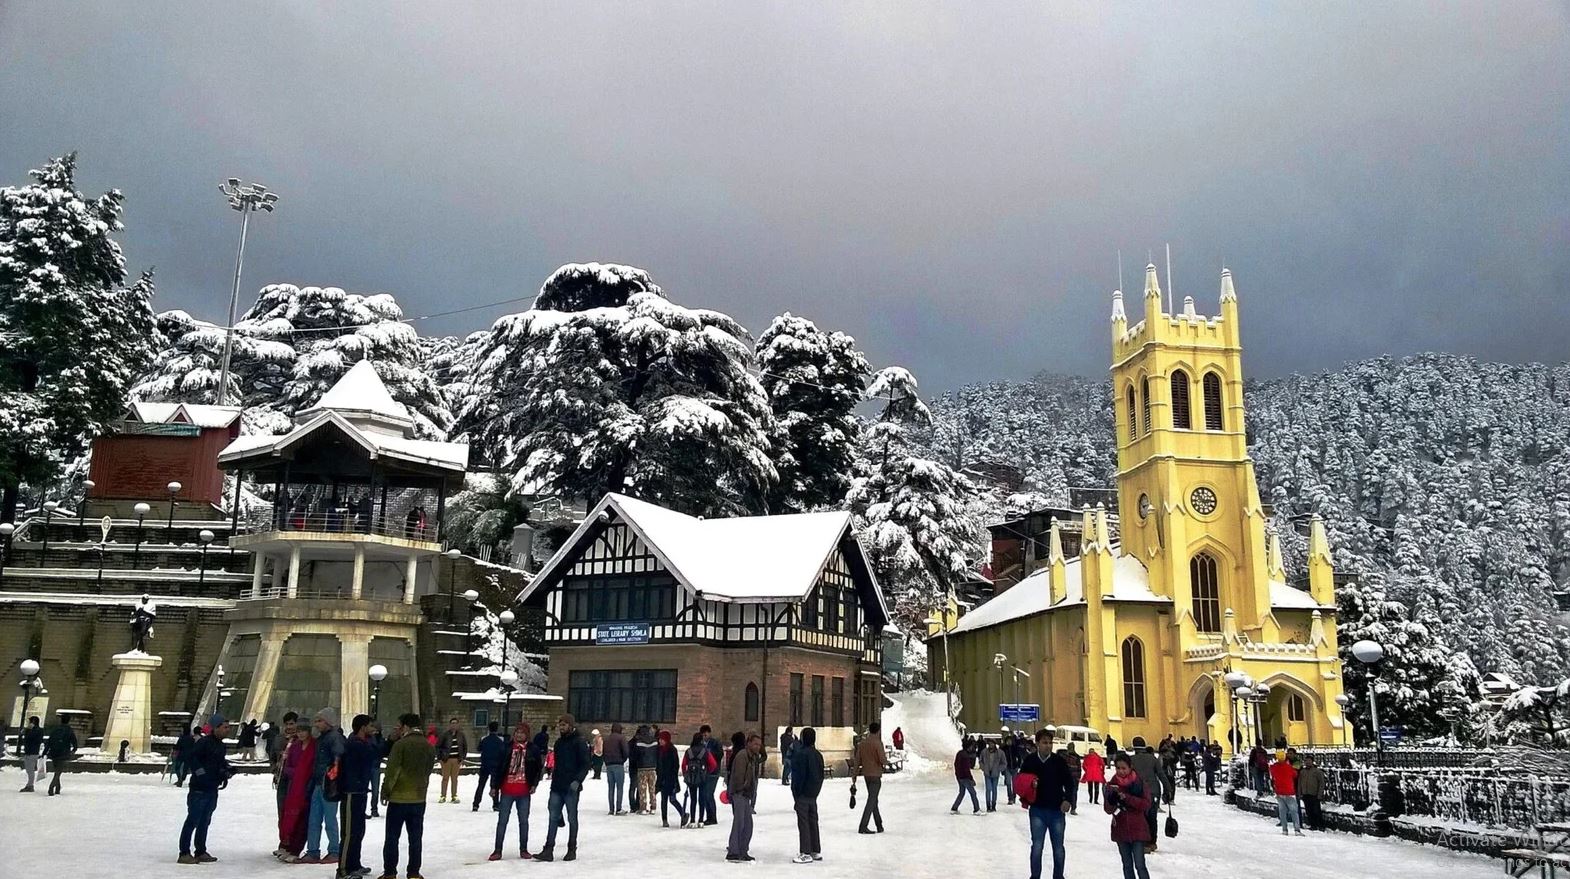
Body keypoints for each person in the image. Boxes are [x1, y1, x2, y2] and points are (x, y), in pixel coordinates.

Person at [381, 713, 434, 879]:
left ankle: (390, 872)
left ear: (405, 726)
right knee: (415, 838)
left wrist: (385, 791)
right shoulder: (428, 745)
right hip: (419, 797)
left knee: (392, 837)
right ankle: (414, 872)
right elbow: (428, 769)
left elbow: (393, 771)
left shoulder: (400, 745)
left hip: (398, 798)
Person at [178, 714, 233, 864]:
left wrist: (227, 769)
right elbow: (192, 757)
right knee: (193, 820)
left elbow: (218, 762)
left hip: (212, 787)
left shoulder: (221, 745)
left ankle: (200, 850)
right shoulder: (204, 742)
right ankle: (184, 852)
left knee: (205, 820)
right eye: (225, 727)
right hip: (199, 788)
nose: (228, 730)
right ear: (216, 728)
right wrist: (200, 773)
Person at [1019, 727, 1074, 879]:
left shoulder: (1059, 761)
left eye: (1050, 743)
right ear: (1037, 744)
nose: (1048, 746)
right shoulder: (1030, 761)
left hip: (1057, 811)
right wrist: (1029, 785)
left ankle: (1058, 876)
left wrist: (1068, 800)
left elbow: (1069, 782)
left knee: (1058, 848)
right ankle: (1035, 876)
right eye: (1044, 743)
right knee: (1037, 847)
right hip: (1038, 810)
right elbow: (1020, 781)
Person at [537, 714, 590, 862]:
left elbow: (585, 764)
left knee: (572, 817)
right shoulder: (559, 743)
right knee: (553, 815)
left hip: (571, 787)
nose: (561, 727)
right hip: (558, 785)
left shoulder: (579, 742)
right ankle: (548, 849)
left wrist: (578, 780)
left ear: (571, 726)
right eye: (560, 725)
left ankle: (572, 848)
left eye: (564, 725)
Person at [490, 722, 544, 860]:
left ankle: (523, 849)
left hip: (524, 791)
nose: (519, 735)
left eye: (522, 733)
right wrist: (494, 786)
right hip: (507, 790)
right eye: (517, 732)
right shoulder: (506, 747)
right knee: (502, 821)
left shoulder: (533, 749)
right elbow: (497, 767)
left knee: (523, 821)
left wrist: (534, 784)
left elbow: (538, 769)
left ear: (527, 735)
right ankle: (497, 849)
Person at [337, 714, 378, 878]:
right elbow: (372, 755)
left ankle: (354, 864)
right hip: (351, 792)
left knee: (358, 831)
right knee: (349, 833)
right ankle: (343, 869)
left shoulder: (363, 743)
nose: (373, 729)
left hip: (360, 791)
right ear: (363, 727)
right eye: (370, 726)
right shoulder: (355, 744)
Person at [305, 707, 346, 864]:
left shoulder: (334, 738)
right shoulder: (323, 738)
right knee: (314, 819)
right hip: (320, 782)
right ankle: (313, 850)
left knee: (329, 819)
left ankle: (334, 850)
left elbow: (338, 758)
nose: (316, 724)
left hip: (328, 784)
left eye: (320, 720)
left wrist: (332, 776)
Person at [1105, 753, 1153, 879]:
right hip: (1120, 829)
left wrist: (1127, 798)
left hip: (1138, 829)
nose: (1121, 771)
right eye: (1118, 768)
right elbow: (1108, 809)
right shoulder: (1112, 785)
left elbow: (1146, 804)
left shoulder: (1139, 783)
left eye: (1123, 768)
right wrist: (1111, 799)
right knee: (1127, 865)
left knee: (1140, 865)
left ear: (1130, 767)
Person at [275, 723, 316, 862]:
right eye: (299, 731)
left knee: (303, 819)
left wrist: (303, 773)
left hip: (308, 786)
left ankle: (296, 849)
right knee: (291, 816)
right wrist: (297, 772)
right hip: (294, 786)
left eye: (304, 731)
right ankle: (288, 846)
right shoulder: (295, 746)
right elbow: (287, 766)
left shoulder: (314, 746)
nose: (301, 734)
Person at [789, 727, 825, 864]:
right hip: (814, 793)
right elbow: (821, 775)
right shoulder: (818, 755)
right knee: (813, 821)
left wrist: (796, 792)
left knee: (803, 822)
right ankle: (815, 849)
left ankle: (805, 852)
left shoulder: (801, 754)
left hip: (803, 793)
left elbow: (798, 776)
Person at [727, 732, 763, 861]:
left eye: (759, 745)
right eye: (755, 744)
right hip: (740, 794)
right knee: (740, 823)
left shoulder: (752, 757)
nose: (757, 747)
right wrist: (742, 788)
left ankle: (742, 850)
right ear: (748, 743)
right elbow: (738, 776)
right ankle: (733, 851)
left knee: (747, 824)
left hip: (745, 795)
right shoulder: (742, 756)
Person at [1129, 737, 1168, 854]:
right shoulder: (1153, 759)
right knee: (1152, 817)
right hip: (1154, 791)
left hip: (1139, 792)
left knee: (1141, 817)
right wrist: (1168, 788)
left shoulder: (1131, 760)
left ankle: (1144, 842)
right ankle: (1152, 842)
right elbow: (1161, 774)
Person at [854, 721, 885, 833]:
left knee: (873, 799)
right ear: (878, 731)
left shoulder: (863, 743)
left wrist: (854, 775)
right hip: (876, 774)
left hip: (866, 774)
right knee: (871, 800)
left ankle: (879, 825)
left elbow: (857, 760)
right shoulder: (877, 743)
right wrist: (885, 762)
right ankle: (863, 825)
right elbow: (882, 759)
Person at [681, 731, 716, 828]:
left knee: (693, 799)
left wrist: (686, 775)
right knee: (702, 799)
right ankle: (701, 820)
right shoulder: (705, 751)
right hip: (703, 778)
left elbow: (683, 765)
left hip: (691, 778)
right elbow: (713, 764)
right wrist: (707, 772)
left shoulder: (688, 751)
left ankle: (692, 820)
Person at [656, 729, 689, 827]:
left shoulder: (672, 750)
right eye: (659, 739)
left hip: (671, 779)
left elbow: (675, 765)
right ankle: (664, 819)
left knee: (672, 799)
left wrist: (673, 778)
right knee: (663, 800)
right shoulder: (659, 750)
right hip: (662, 779)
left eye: (662, 739)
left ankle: (683, 814)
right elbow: (658, 763)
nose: (660, 741)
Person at [475, 721, 507, 812]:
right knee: (495, 785)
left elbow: (479, 748)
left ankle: (476, 804)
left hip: (485, 764)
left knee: (481, 785)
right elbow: (503, 752)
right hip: (496, 765)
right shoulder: (500, 740)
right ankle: (496, 804)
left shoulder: (484, 739)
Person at [273, 713, 299, 817]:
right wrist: (274, 769)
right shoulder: (279, 738)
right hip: (281, 777)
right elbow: (272, 756)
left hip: (296, 778)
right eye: (287, 724)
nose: (289, 727)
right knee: (281, 808)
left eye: (291, 724)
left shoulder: (301, 738)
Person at [436, 716, 468, 804]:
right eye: (452, 723)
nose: (454, 725)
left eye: (455, 723)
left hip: (457, 760)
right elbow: (438, 746)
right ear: (449, 725)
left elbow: (464, 747)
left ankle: (454, 795)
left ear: (458, 725)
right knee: (445, 778)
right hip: (446, 760)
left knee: (454, 778)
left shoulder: (461, 735)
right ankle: (443, 796)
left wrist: (462, 758)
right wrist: (440, 758)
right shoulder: (445, 735)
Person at [1270, 750, 1303, 835]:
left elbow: (1272, 775)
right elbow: (1295, 775)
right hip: (1289, 792)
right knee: (1294, 811)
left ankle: (1284, 830)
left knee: (1282, 811)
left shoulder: (1274, 767)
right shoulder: (1288, 767)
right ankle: (1297, 830)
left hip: (1279, 792)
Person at [44, 716, 77, 796]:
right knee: (58, 772)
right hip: (63, 753)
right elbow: (74, 742)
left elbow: (49, 741)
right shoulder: (69, 730)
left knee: (57, 770)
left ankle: (58, 788)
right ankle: (51, 787)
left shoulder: (55, 729)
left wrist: (44, 752)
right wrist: (73, 750)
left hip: (53, 753)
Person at [601, 722, 629, 815]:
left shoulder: (606, 739)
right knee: (619, 787)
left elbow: (603, 752)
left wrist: (606, 761)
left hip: (609, 765)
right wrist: (623, 760)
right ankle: (618, 808)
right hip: (618, 764)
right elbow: (626, 751)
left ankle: (611, 809)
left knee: (611, 788)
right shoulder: (621, 738)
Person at [700, 724, 723, 825]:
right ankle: (709, 816)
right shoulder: (701, 743)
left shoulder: (715, 743)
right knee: (705, 794)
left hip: (713, 772)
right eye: (703, 735)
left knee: (709, 794)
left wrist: (710, 754)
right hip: (704, 772)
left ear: (709, 733)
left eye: (705, 735)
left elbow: (720, 754)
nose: (704, 737)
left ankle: (712, 817)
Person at [633, 724, 658, 814]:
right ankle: (653, 807)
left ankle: (643, 807)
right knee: (652, 788)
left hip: (642, 768)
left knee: (642, 789)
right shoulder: (655, 741)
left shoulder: (638, 742)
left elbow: (635, 755)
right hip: (652, 767)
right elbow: (657, 754)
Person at [1298, 754, 1325, 830]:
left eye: (1309, 761)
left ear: (1312, 762)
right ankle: (1313, 825)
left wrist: (1320, 794)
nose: (1308, 762)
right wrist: (1300, 793)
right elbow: (1300, 783)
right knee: (1308, 811)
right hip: (1305, 794)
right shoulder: (1302, 772)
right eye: (1306, 761)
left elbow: (1321, 783)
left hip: (1314, 794)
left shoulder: (1317, 771)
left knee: (1316, 811)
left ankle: (1321, 825)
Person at [951, 741, 980, 814]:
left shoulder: (959, 753)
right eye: (971, 746)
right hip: (965, 777)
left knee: (962, 793)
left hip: (959, 776)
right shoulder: (965, 756)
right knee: (973, 793)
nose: (972, 748)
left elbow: (955, 764)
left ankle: (954, 808)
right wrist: (971, 779)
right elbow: (966, 769)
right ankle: (976, 809)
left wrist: (957, 774)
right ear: (968, 747)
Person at [980, 738, 1006, 812]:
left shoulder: (1000, 752)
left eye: (992, 743)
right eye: (989, 743)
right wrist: (983, 768)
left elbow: (1004, 763)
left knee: (994, 789)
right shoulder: (984, 752)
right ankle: (988, 806)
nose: (991, 745)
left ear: (995, 744)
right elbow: (981, 760)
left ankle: (993, 805)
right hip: (987, 773)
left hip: (995, 774)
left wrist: (999, 769)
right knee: (988, 789)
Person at [18, 716, 42, 792]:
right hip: (30, 751)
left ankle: (30, 785)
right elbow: (23, 735)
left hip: (32, 752)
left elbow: (30, 738)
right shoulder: (35, 730)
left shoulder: (36, 730)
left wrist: (28, 730)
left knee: (30, 770)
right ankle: (30, 784)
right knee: (29, 770)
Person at [367, 721, 385, 819]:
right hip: (369, 766)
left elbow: (381, 750)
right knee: (368, 789)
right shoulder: (368, 739)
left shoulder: (380, 739)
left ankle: (374, 808)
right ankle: (372, 809)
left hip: (375, 766)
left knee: (375, 790)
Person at [172, 723, 196, 787]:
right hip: (189, 756)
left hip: (181, 755)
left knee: (177, 767)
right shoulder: (192, 739)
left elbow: (178, 746)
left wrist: (174, 747)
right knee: (185, 769)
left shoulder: (182, 738)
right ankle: (182, 779)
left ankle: (180, 779)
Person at [1062, 743, 1082, 814]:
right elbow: (1079, 767)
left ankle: (1066, 807)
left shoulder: (1064, 756)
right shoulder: (1077, 756)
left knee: (1067, 792)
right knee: (1074, 792)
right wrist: (1079, 776)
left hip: (1067, 776)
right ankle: (1073, 808)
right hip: (1074, 777)